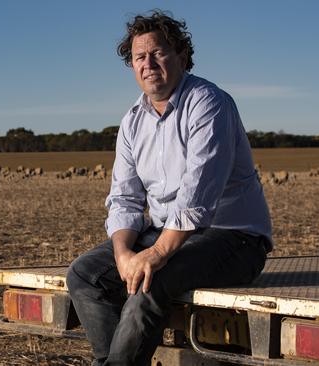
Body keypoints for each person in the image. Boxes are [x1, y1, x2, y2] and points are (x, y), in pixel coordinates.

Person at [66, 10, 273, 366]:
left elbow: (197, 195)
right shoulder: (132, 122)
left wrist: (154, 255)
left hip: (234, 238)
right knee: (84, 275)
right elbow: (124, 198)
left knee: (151, 280)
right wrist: (124, 256)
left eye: (157, 53)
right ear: (131, 66)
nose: (148, 64)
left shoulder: (209, 104)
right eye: (138, 57)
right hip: (168, 233)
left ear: (180, 55)